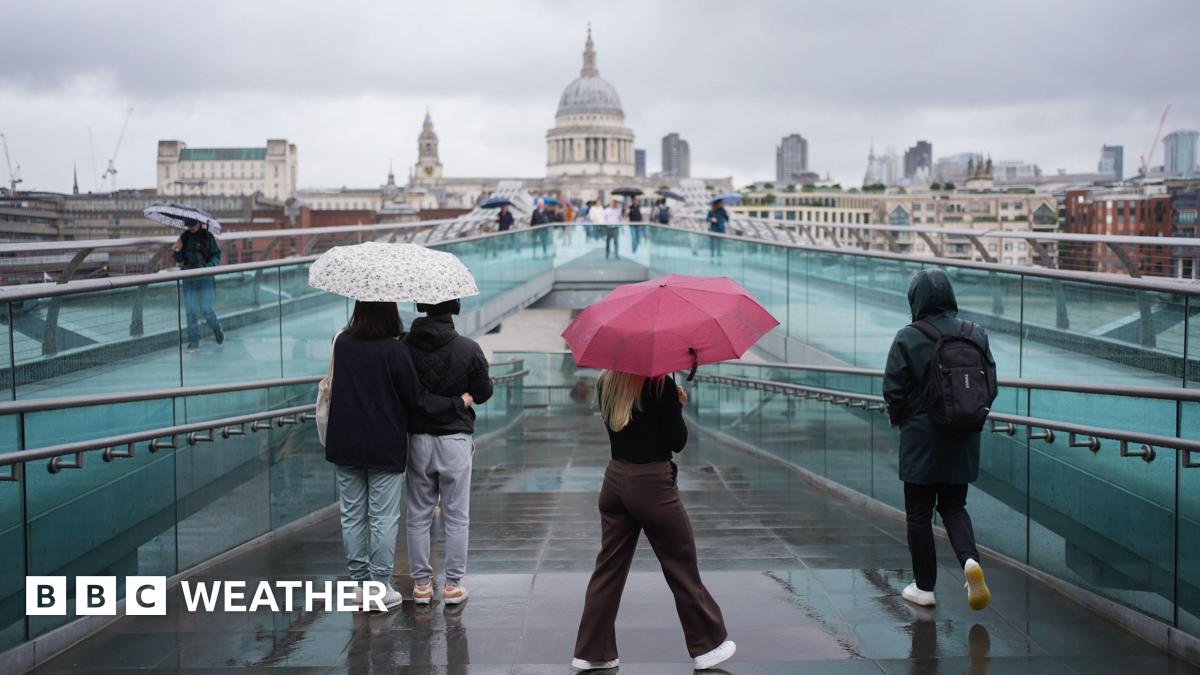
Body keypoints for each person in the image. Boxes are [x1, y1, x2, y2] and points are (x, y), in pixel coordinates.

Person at [572, 371, 735, 672]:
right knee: (681, 563)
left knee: (608, 570)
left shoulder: (606, 381)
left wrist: (671, 403)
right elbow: (678, 441)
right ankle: (708, 646)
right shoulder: (660, 385)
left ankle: (592, 651)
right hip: (652, 485)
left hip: (614, 481)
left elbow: (625, 427)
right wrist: (676, 404)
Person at [324, 301, 473, 611]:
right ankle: (379, 586)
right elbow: (418, 400)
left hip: (344, 442)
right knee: (382, 518)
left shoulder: (341, 341)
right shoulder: (395, 350)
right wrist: (458, 404)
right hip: (383, 445)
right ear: (388, 313)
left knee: (351, 516)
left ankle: (361, 586)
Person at [883, 269, 995, 611]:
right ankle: (969, 563)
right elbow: (989, 384)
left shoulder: (908, 337)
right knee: (953, 505)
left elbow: (893, 390)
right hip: (962, 436)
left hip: (920, 438)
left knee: (918, 512)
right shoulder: (975, 333)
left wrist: (902, 418)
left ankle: (925, 587)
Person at [403, 298, 493, 606]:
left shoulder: (404, 346)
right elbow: (484, 392)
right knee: (456, 515)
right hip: (454, 438)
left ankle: (421, 586)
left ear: (421, 307)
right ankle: (453, 586)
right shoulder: (468, 348)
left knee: (417, 514)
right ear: (454, 308)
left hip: (417, 440)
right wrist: (462, 398)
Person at [172, 217, 225, 352]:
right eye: (188, 225)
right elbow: (179, 260)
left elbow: (217, 256)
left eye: (193, 225)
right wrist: (177, 250)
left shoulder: (208, 237)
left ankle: (217, 328)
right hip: (188, 277)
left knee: (206, 309)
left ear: (199, 223)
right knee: (191, 311)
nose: (190, 228)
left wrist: (208, 268)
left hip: (205, 277)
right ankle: (193, 342)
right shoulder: (184, 237)